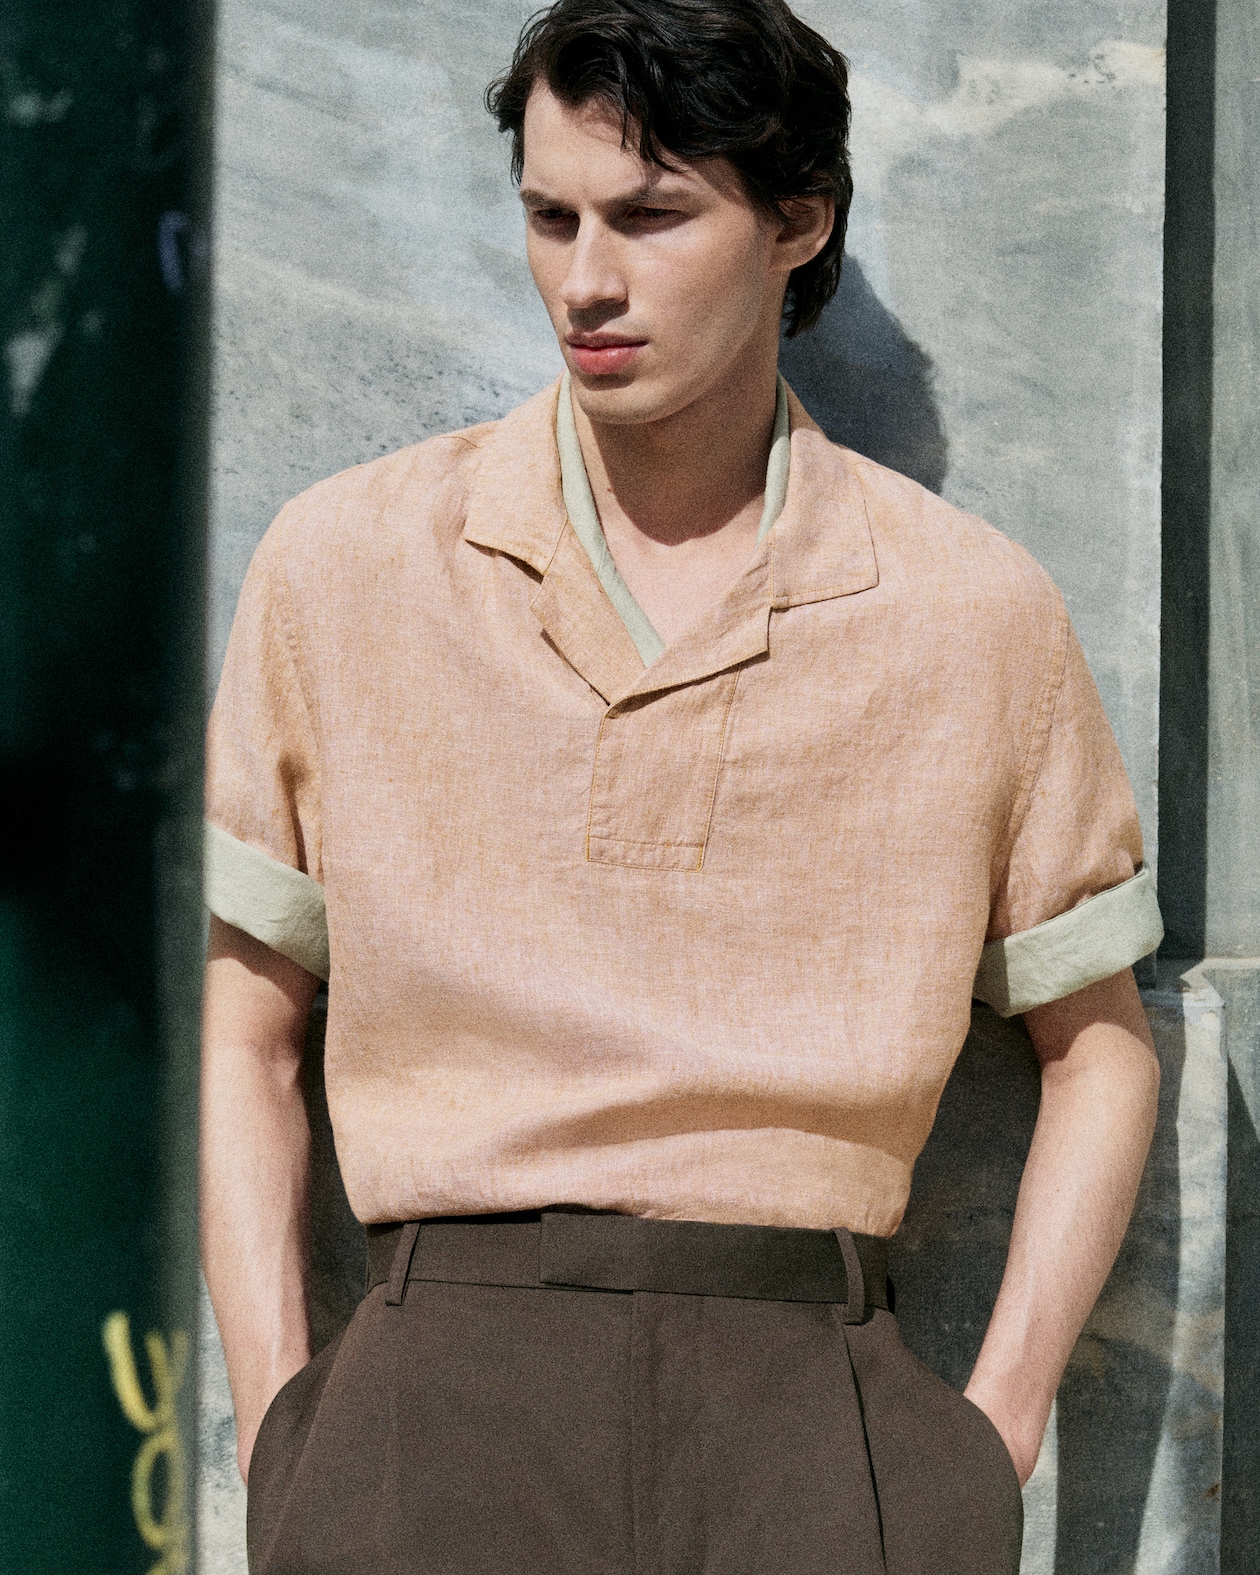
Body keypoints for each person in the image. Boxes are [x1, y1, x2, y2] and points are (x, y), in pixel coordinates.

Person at [200, 1, 1164, 1571]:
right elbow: (243, 1027)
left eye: (652, 216)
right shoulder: (349, 561)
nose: (587, 278)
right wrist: (285, 1424)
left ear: (799, 221)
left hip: (816, 1410)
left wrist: (984, 1443)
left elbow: (1100, 1047)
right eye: (550, 216)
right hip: (428, 1402)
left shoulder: (969, 609)